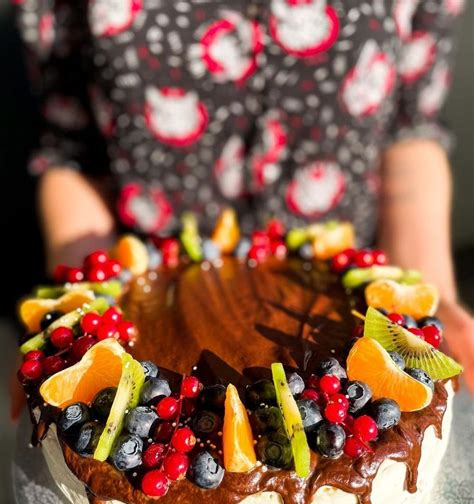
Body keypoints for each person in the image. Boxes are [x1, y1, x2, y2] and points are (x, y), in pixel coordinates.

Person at [15, 0, 474, 389]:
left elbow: (409, 130)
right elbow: (72, 153)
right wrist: (78, 321)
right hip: (150, 306)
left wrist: (428, 298)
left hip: (348, 301)